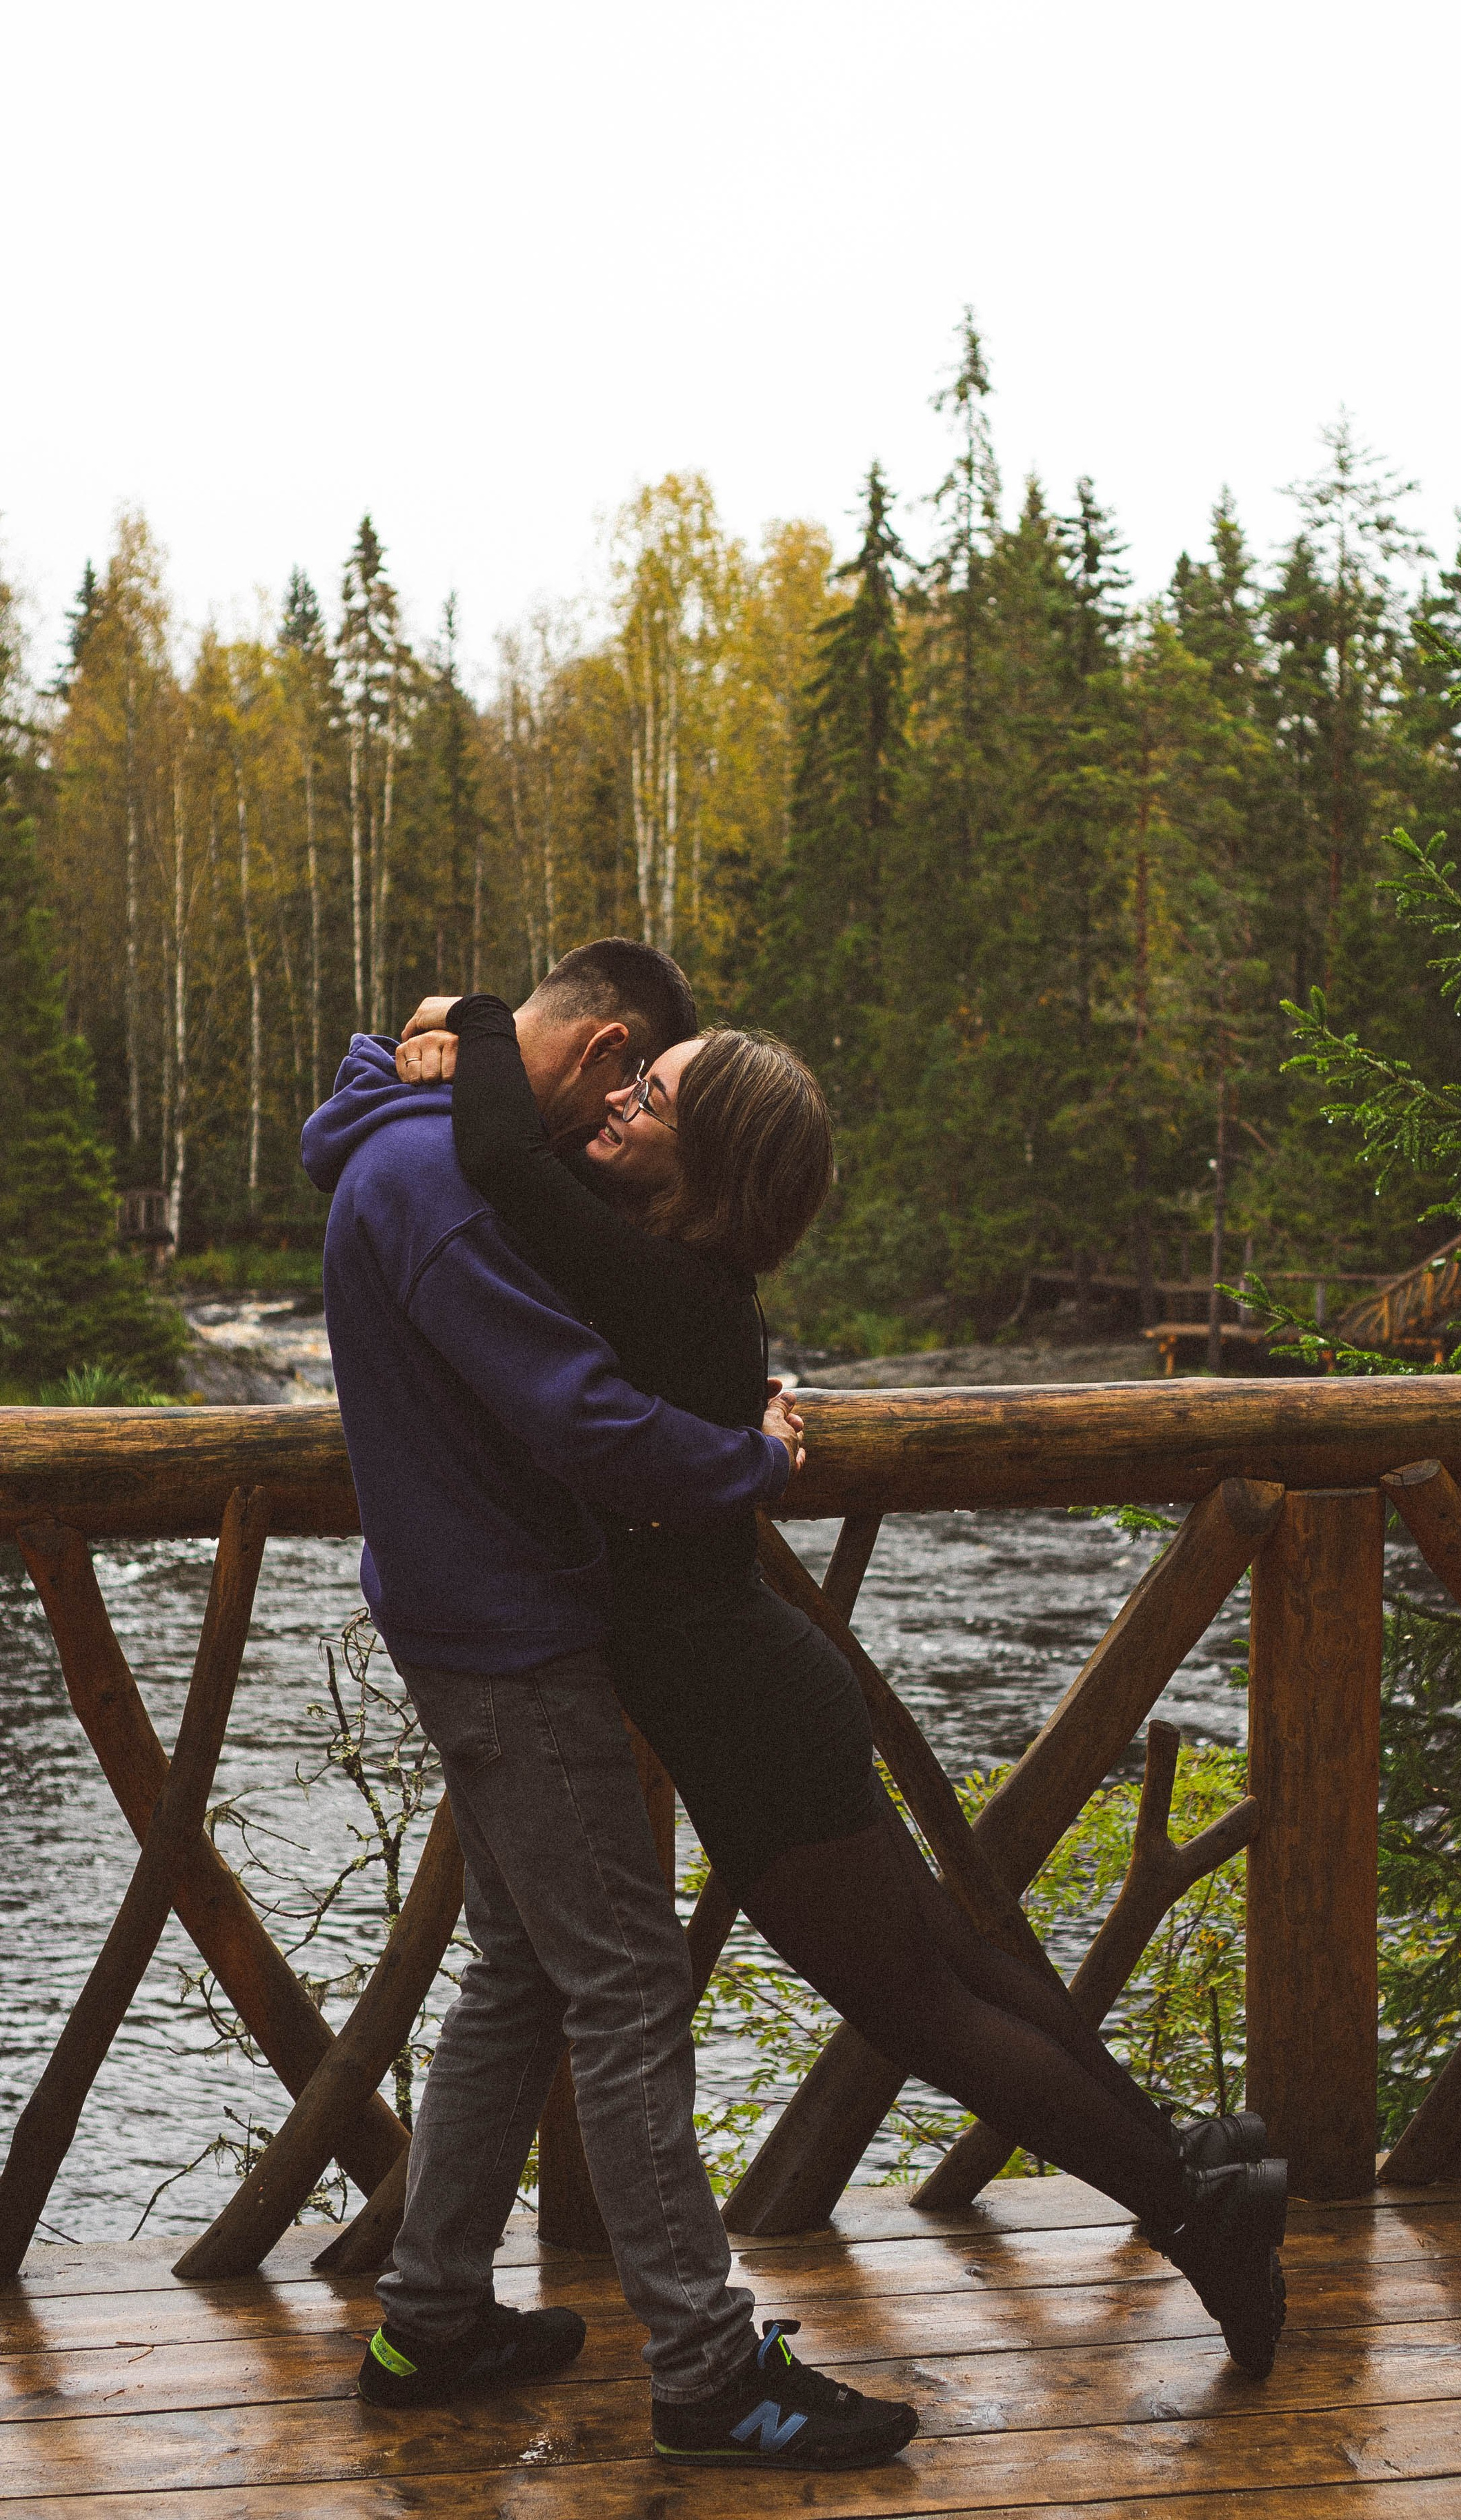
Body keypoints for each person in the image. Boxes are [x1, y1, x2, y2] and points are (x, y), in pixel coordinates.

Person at [392, 986, 1290, 2379]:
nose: (621, 1104)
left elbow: (506, 1155)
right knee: (950, 1962)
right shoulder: (682, 1284)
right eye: (635, 1087)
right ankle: (1188, 2160)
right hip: (761, 1683)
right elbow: (527, 1159)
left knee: (920, 2004)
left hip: (747, 1712)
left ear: (711, 1170)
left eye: (657, 1099)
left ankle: (1190, 2212)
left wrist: (479, 1012)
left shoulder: (656, 1284)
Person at [301, 938, 920, 2474]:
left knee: (522, 1968)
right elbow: (581, 1416)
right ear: (599, 1053)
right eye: (629, 1094)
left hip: (467, 1612)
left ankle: (432, 2313)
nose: (611, 1135)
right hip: (507, 1634)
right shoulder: (443, 1190)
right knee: (628, 1986)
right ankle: (709, 2374)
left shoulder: (404, 1144)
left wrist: (436, 1038)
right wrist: (756, 1464)